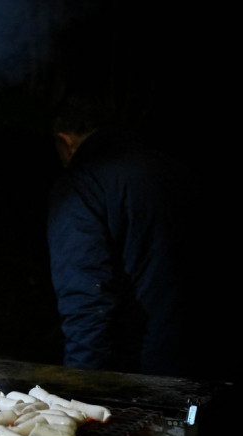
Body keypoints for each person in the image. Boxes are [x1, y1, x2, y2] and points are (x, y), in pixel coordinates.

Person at [46, 92, 194, 378]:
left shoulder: (82, 187)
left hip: (140, 372)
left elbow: (86, 298)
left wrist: (83, 387)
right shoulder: (176, 170)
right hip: (202, 358)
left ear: (65, 141)